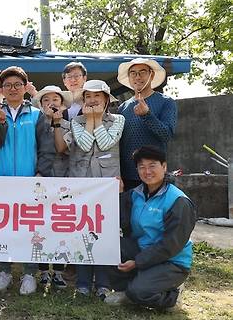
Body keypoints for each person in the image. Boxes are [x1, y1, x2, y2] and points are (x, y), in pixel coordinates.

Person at [105, 145, 196, 309]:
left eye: (152, 166)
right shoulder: (136, 194)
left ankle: (171, 296)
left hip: (172, 261)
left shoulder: (178, 201)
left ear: (164, 166)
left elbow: (171, 245)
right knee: (110, 246)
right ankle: (123, 291)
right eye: (142, 167)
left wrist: (137, 262)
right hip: (142, 250)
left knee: (139, 292)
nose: (147, 171)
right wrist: (119, 194)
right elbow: (119, 220)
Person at [58, 79, 125, 298]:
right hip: (81, 184)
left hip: (107, 184)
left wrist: (96, 120)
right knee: (81, 231)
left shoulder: (118, 120)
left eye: (98, 96)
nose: (92, 100)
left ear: (106, 100)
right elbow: (85, 145)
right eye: (88, 96)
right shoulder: (75, 122)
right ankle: (83, 282)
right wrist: (89, 121)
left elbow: (106, 143)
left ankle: (104, 282)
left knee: (106, 232)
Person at [0, 66, 41, 295]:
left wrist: (41, 172)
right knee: (2, 226)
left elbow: (46, 149)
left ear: (25, 88)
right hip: (1, 181)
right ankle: (4, 271)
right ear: (2, 90)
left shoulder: (37, 115)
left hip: (30, 181)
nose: (13, 89)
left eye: (17, 85)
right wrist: (0, 123)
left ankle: (29, 274)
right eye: (7, 85)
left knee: (30, 229)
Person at [31, 85, 74, 289]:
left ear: (63, 104)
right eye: (46, 100)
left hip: (63, 179)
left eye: (55, 99)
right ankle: (42, 271)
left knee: (60, 225)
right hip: (40, 180)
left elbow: (65, 150)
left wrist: (56, 124)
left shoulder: (70, 125)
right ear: (41, 105)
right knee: (39, 225)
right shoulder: (35, 123)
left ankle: (58, 271)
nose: (51, 103)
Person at [117, 58, 177, 191]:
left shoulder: (166, 102)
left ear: (152, 75)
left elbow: (166, 134)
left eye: (142, 72)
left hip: (154, 175)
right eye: (133, 73)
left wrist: (147, 115)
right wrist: (118, 173)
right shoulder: (123, 107)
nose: (137, 77)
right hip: (128, 176)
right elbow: (119, 144)